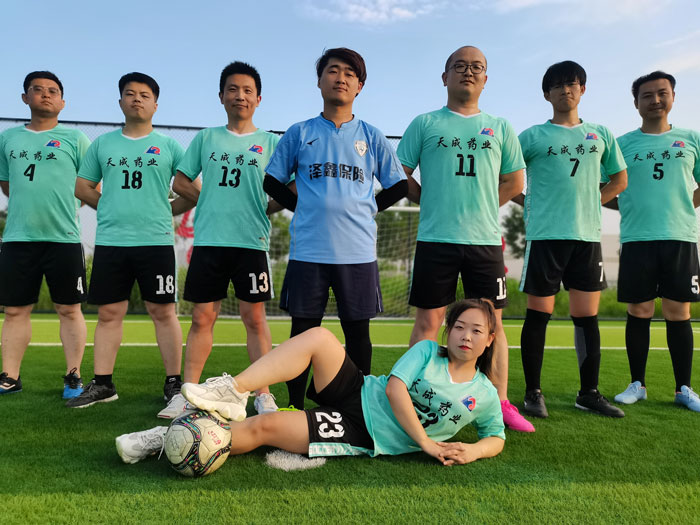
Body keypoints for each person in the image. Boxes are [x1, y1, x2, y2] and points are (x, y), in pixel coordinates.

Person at [116, 299, 505, 465]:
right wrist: (426, 443)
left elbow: (496, 435)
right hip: (359, 390)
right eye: (459, 327)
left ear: (490, 339)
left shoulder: (484, 393)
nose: (465, 336)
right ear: (449, 331)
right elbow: (394, 388)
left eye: (476, 331)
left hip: (360, 432)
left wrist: (474, 451)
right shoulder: (427, 351)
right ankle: (233, 389)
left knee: (266, 426)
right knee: (319, 337)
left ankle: (166, 438)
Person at [397, 45, 532, 432]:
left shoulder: (499, 127)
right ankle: (414, 399)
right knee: (429, 322)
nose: (468, 72)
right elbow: (400, 173)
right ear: (445, 77)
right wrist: (430, 199)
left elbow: (515, 182)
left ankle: (500, 402)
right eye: (459, 66)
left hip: (484, 241)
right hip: (435, 239)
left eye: (476, 67)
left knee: (492, 324)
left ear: (486, 79)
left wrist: (484, 204)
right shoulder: (425, 123)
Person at [263, 47, 407, 409]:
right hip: (309, 250)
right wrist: (303, 206)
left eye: (349, 73)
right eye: (332, 70)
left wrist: (367, 208)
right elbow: (271, 181)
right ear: (319, 81)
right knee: (302, 333)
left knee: (357, 333)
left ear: (359, 86)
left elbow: (399, 186)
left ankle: (358, 407)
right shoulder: (300, 132)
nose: (340, 78)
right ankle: (294, 406)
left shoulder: (371, 136)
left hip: (357, 251)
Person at [68, 73, 191, 415]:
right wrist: (109, 206)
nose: (137, 99)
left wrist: (167, 210)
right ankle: (103, 384)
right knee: (109, 313)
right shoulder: (103, 144)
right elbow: (82, 187)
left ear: (155, 104)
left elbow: (191, 189)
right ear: (120, 101)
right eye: (130, 93)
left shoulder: (169, 146)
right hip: (112, 241)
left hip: (156, 242)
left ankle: (173, 383)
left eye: (144, 94)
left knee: (163, 311)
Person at [514, 61, 627, 418]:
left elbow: (619, 179)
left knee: (586, 317)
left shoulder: (600, 134)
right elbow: (507, 176)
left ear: (583, 89)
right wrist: (528, 202)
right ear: (546, 94)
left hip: (586, 238)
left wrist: (593, 201)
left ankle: (589, 393)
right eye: (558, 85)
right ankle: (533, 393)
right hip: (545, 237)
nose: (566, 90)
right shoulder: (532, 136)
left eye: (573, 83)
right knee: (538, 315)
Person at [168, 61, 280, 418]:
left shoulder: (271, 142)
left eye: (247, 90)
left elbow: (290, 188)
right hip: (210, 242)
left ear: (258, 99)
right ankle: (188, 393)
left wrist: (264, 208)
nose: (240, 96)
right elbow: (181, 181)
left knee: (255, 318)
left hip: (251, 242)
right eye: (233, 89)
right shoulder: (206, 138)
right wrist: (211, 200)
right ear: (221, 96)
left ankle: (263, 394)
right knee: (202, 317)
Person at [610, 71, 700, 412]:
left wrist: (683, 206)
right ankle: (638, 384)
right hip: (637, 238)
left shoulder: (691, 139)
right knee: (640, 310)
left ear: (673, 97)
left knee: (679, 312)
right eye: (647, 95)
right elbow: (605, 187)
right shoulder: (623, 144)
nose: (655, 100)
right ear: (636, 103)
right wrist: (631, 206)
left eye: (662, 93)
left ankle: (683, 388)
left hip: (680, 237)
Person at [0, 71, 89, 398]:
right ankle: (10, 376)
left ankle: (73, 376)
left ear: (62, 102)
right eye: (37, 90)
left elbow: (89, 185)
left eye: (53, 91)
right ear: (25, 98)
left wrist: (64, 206)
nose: (45, 94)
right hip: (18, 239)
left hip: (63, 238)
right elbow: (7, 184)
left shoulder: (76, 139)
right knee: (14, 311)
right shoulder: (8, 139)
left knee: (69, 309)